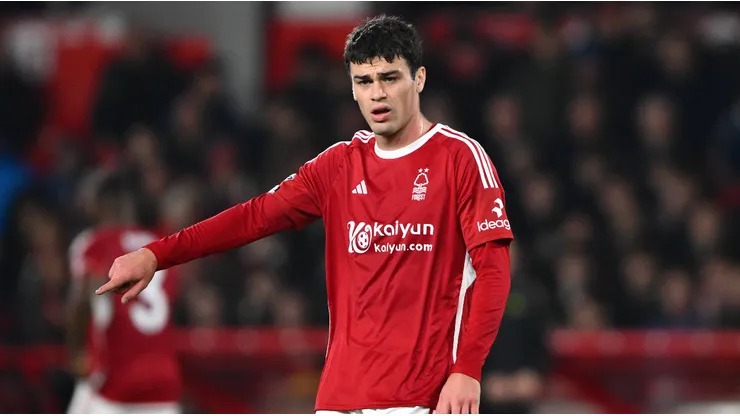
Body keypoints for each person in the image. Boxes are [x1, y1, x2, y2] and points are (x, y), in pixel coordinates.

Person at [97, 15, 513, 414]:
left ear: (418, 78)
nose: (377, 94)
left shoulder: (460, 158)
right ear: (352, 88)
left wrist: (467, 369)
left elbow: (493, 272)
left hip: (424, 396)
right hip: (338, 398)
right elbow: (253, 217)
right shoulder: (338, 166)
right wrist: (156, 255)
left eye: (390, 78)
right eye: (364, 81)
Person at [66, 173, 181, 413]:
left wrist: (76, 352)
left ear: (103, 203)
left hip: (115, 384)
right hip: (164, 380)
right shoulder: (158, 243)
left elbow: (81, 301)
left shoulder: (94, 243)